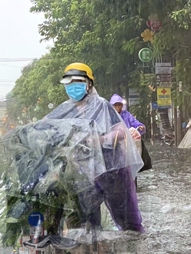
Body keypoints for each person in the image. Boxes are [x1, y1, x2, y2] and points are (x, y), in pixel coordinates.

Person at [45, 63, 144, 233]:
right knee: (88, 224)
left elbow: (121, 132)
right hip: (83, 172)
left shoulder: (103, 106)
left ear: (89, 83)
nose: (73, 87)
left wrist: (102, 139)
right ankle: (94, 253)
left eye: (78, 82)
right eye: (69, 83)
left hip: (113, 170)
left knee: (129, 224)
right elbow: (46, 129)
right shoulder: (64, 110)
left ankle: (134, 250)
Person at [110, 94, 152, 175]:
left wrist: (140, 127)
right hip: (115, 145)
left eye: (119, 105)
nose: (118, 107)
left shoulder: (126, 114)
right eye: (116, 105)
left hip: (128, 144)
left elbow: (134, 122)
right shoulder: (109, 116)